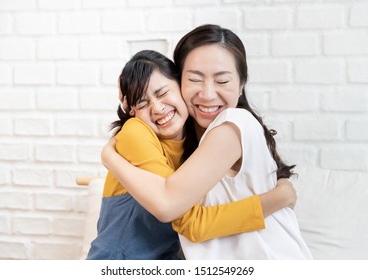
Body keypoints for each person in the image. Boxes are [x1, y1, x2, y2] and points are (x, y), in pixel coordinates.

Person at [102, 24, 312, 259]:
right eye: (194, 79)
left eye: (222, 81)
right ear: (180, 81)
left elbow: (172, 208)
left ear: (241, 84)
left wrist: (110, 158)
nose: (208, 94)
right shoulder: (186, 141)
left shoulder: (233, 124)